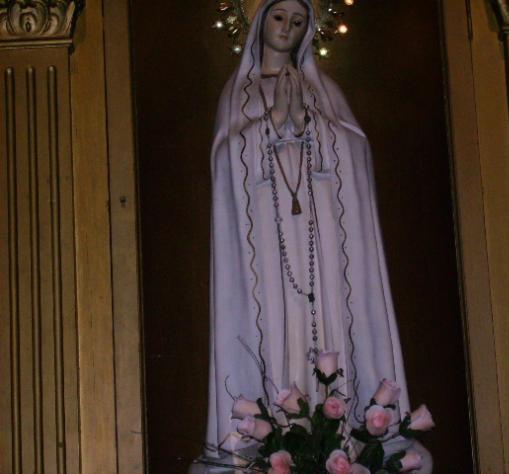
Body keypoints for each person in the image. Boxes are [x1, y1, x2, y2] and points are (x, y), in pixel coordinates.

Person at [206, 0, 415, 460]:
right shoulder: (238, 93)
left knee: (326, 324)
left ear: (309, 29)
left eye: (298, 21)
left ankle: (340, 437)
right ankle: (274, 440)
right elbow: (225, 163)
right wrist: (271, 123)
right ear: (259, 21)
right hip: (267, 248)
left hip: (321, 246)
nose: (287, 29)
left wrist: (309, 124)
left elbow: (355, 152)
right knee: (276, 330)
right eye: (279, 18)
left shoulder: (324, 91)